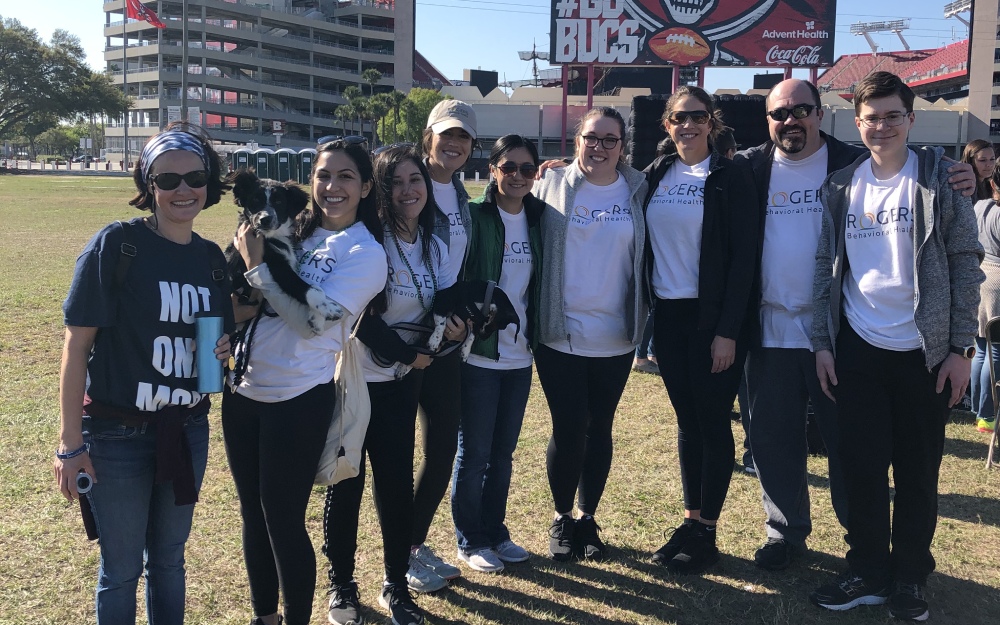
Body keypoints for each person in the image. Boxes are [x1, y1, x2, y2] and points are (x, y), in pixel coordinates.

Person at [809, 71, 984, 622]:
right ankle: (867, 570)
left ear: (910, 118)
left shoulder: (937, 178)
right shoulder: (841, 184)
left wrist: (960, 347)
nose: (880, 127)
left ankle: (909, 577)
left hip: (924, 352)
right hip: (857, 346)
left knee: (916, 472)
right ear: (856, 124)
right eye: (870, 118)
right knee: (860, 470)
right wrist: (824, 343)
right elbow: (824, 267)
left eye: (891, 116)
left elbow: (964, 261)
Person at [55, 123, 234, 625]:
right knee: (122, 568)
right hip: (115, 435)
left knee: (171, 562)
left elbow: (213, 339)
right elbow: (77, 345)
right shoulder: (118, 245)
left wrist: (222, 348)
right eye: (167, 179)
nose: (183, 190)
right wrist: (70, 444)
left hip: (186, 430)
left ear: (209, 184)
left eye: (195, 177)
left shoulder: (210, 258)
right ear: (147, 185)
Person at [224, 139, 388, 625]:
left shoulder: (365, 253)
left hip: (297, 398)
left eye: (345, 177)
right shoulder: (295, 227)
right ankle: (265, 617)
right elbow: (246, 307)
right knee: (252, 516)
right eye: (323, 176)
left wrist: (257, 271)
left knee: (282, 520)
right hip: (243, 391)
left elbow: (314, 325)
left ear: (365, 186)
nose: (332, 186)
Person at [323, 145, 460, 625]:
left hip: (403, 384)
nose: (408, 190)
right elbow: (362, 321)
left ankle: (396, 585)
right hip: (359, 379)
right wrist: (411, 354)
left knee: (396, 485)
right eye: (396, 182)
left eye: (415, 180)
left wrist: (458, 323)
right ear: (379, 188)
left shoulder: (433, 244)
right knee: (347, 483)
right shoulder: (369, 242)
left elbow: (441, 300)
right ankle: (341, 587)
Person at [642, 87, 758, 574]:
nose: (687, 125)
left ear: (711, 122)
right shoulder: (655, 175)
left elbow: (744, 260)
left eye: (697, 116)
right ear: (666, 125)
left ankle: (708, 531)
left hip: (714, 320)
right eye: (678, 118)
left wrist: (728, 330)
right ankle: (691, 522)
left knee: (712, 421)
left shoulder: (733, 175)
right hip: (668, 317)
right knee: (687, 422)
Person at [533, 106, 648, 561]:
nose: (599, 147)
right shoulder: (549, 184)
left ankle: (587, 519)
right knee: (568, 426)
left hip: (616, 335)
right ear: (577, 139)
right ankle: (562, 517)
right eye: (591, 137)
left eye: (609, 140)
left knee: (600, 426)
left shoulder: (638, 187)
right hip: (559, 331)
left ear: (622, 147)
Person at [450, 134, 543, 572]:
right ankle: (469, 540)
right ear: (493, 170)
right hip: (479, 354)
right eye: (509, 168)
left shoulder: (541, 218)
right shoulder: (473, 218)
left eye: (528, 169)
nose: (518, 177)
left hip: (521, 355)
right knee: (474, 454)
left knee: (503, 453)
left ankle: (495, 532)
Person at [405, 99, 477, 590]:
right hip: (396, 344)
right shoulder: (407, 186)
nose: (453, 144)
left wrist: (462, 324)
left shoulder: (465, 199)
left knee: (440, 449)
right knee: (386, 455)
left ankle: (411, 545)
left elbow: (459, 272)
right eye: (445, 134)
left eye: (463, 138)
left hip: (445, 347)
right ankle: (398, 553)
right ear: (428, 135)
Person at [970, 165, 1000, 434]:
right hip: (999, 283)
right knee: (998, 351)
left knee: (982, 349)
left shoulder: (980, 206)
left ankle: (977, 409)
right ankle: (987, 415)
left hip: (979, 278)